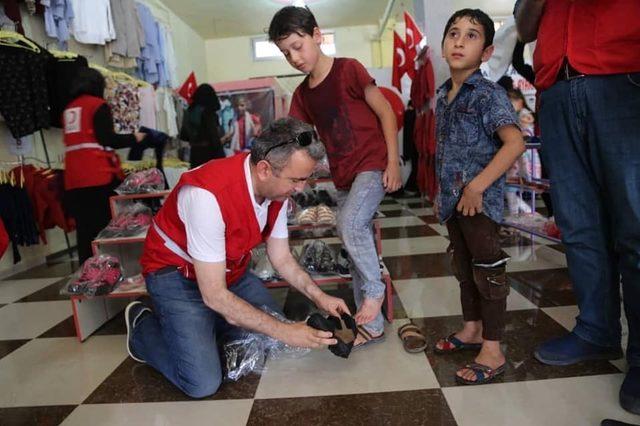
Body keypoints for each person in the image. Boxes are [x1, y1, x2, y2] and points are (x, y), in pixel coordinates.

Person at [125, 117, 351, 398]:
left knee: (267, 339)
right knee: (203, 383)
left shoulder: (276, 194)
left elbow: (281, 259)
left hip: (228, 271)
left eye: (305, 179)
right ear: (265, 169)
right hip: (175, 274)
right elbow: (215, 295)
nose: (301, 189)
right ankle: (142, 328)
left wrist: (320, 297)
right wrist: (285, 330)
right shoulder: (208, 195)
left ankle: (210, 324)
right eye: (296, 179)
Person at [516, 0, 640, 415]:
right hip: (556, 89)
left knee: (635, 226)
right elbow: (524, 26)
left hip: (624, 79)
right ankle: (596, 330)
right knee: (579, 226)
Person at [268, 6, 403, 348]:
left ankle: (375, 292)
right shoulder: (301, 95)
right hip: (343, 175)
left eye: (298, 46)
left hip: (372, 164)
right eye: (286, 53)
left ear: (316, 34)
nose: (294, 58)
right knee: (355, 245)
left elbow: (385, 111)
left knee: (349, 225)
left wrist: (393, 161)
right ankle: (371, 326)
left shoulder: (348, 70)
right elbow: (295, 137)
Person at [432, 9, 525, 385]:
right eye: (453, 33)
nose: (459, 40)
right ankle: (471, 329)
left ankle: (493, 347)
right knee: (463, 267)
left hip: (479, 203)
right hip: (453, 202)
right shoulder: (444, 95)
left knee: (487, 273)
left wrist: (476, 186)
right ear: (442, 45)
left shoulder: (487, 94)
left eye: (471, 36)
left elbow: (514, 143)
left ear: (486, 53)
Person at [62, 67, 146, 264]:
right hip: (98, 174)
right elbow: (108, 139)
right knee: (105, 226)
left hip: (74, 176)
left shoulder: (69, 109)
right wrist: (134, 138)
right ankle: (109, 268)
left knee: (84, 229)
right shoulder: (98, 105)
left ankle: (87, 270)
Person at [180, 83, 226, 168]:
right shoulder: (208, 112)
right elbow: (213, 137)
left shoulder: (189, 111)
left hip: (194, 153)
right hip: (209, 154)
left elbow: (183, 136)